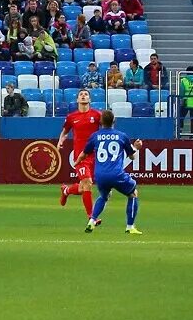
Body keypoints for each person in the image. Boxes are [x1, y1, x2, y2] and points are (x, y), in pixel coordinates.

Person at [84, 109, 142, 236]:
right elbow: (132, 157)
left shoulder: (95, 136)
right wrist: (136, 148)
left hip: (100, 175)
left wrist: (78, 160)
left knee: (105, 196)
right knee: (133, 194)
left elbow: (85, 153)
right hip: (116, 174)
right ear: (114, 121)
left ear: (100, 122)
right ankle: (130, 226)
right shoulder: (122, 136)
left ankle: (92, 220)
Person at [55, 88, 102, 221]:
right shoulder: (71, 117)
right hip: (80, 156)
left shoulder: (97, 115)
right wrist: (60, 141)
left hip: (94, 156)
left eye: (86, 94)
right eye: (81, 94)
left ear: (89, 99)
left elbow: (107, 128)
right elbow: (65, 132)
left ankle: (66, 191)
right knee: (87, 183)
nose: (83, 96)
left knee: (83, 187)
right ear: (77, 99)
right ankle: (91, 217)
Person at [178, 66, 193, 135]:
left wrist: (182, 98)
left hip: (186, 101)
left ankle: (180, 131)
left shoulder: (184, 80)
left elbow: (182, 92)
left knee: (181, 116)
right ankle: (192, 134)